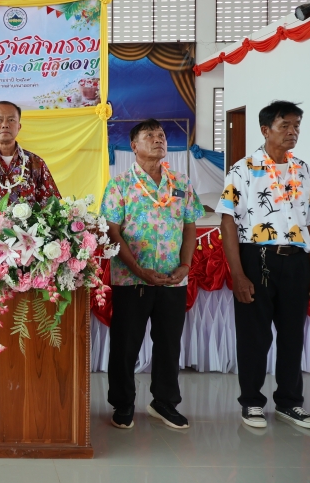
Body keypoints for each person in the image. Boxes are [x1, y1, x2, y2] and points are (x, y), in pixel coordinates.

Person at [217, 101, 310, 430]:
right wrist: (238, 274)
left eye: (297, 126)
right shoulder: (243, 169)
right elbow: (227, 222)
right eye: (285, 126)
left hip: (296, 261)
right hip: (258, 259)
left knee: (293, 335)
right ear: (266, 130)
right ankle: (251, 402)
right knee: (254, 336)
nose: (293, 132)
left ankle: (290, 403)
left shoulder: (302, 169)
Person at [100, 119, 204, 430]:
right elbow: (111, 232)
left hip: (173, 278)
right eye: (150, 136)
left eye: (161, 135)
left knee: (169, 344)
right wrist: (138, 269)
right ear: (134, 146)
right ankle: (123, 404)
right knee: (125, 344)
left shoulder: (181, 182)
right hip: (132, 279)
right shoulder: (119, 185)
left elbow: (189, 227)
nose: (158, 139)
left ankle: (164, 402)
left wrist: (185, 266)